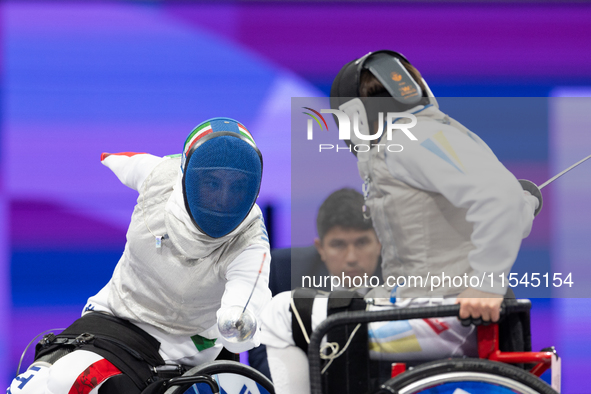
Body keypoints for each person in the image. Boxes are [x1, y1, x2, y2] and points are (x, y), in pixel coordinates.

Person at [258, 51, 540, 394]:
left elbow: (501, 200)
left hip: (439, 318)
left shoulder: (404, 142)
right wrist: (527, 202)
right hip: (434, 310)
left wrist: (485, 285)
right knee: (335, 305)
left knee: (279, 315)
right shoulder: (444, 132)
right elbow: (509, 209)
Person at [9, 118, 272, 394]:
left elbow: (244, 302)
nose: (223, 198)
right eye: (211, 183)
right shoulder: (159, 178)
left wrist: (238, 321)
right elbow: (126, 162)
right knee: (32, 385)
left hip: (178, 345)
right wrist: (106, 157)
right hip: (110, 313)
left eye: (238, 187)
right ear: (187, 176)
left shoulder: (250, 242)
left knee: (68, 379)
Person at [249, 188, 382, 379]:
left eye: (362, 243)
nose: (352, 258)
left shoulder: (404, 274)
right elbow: (262, 354)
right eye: (338, 245)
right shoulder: (284, 273)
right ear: (320, 248)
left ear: (379, 243)